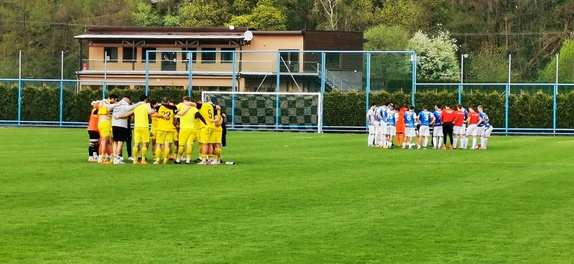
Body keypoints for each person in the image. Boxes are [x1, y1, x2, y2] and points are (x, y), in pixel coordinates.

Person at [123, 94, 160, 165]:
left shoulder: (136, 106)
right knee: (144, 144)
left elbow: (128, 114)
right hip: (144, 126)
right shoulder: (146, 105)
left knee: (136, 143)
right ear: (145, 99)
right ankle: (143, 160)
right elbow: (150, 112)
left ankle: (134, 160)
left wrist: (119, 117)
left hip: (137, 127)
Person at [111, 96, 143, 164]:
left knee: (115, 143)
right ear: (127, 100)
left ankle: (115, 158)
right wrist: (140, 103)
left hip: (114, 125)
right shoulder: (125, 106)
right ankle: (117, 158)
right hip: (122, 126)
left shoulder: (116, 106)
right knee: (120, 143)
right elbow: (132, 107)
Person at [174, 96, 204, 164]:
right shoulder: (193, 108)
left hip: (183, 128)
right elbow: (199, 115)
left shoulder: (181, 105)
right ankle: (188, 160)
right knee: (189, 144)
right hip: (192, 128)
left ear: (184, 100)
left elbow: (175, 111)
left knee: (181, 145)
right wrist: (205, 123)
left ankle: (178, 159)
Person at [154, 97, 178, 164]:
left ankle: (157, 160)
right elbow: (176, 118)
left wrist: (162, 116)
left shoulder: (158, 107)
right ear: (168, 101)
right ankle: (165, 160)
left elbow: (153, 114)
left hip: (161, 128)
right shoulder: (173, 108)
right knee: (167, 145)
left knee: (158, 144)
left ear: (162, 101)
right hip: (169, 128)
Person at [96, 94, 119, 163]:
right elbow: (107, 107)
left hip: (103, 123)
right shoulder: (105, 103)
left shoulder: (103, 103)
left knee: (109, 140)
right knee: (105, 141)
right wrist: (116, 104)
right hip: (105, 123)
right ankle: (102, 157)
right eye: (115, 100)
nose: (115, 101)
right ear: (112, 99)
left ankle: (111, 156)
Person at [197, 100, 218, 164]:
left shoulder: (203, 106)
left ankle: (203, 160)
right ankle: (210, 159)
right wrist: (213, 121)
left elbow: (195, 104)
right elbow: (216, 118)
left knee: (204, 143)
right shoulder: (212, 108)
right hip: (212, 127)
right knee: (210, 143)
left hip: (205, 127)